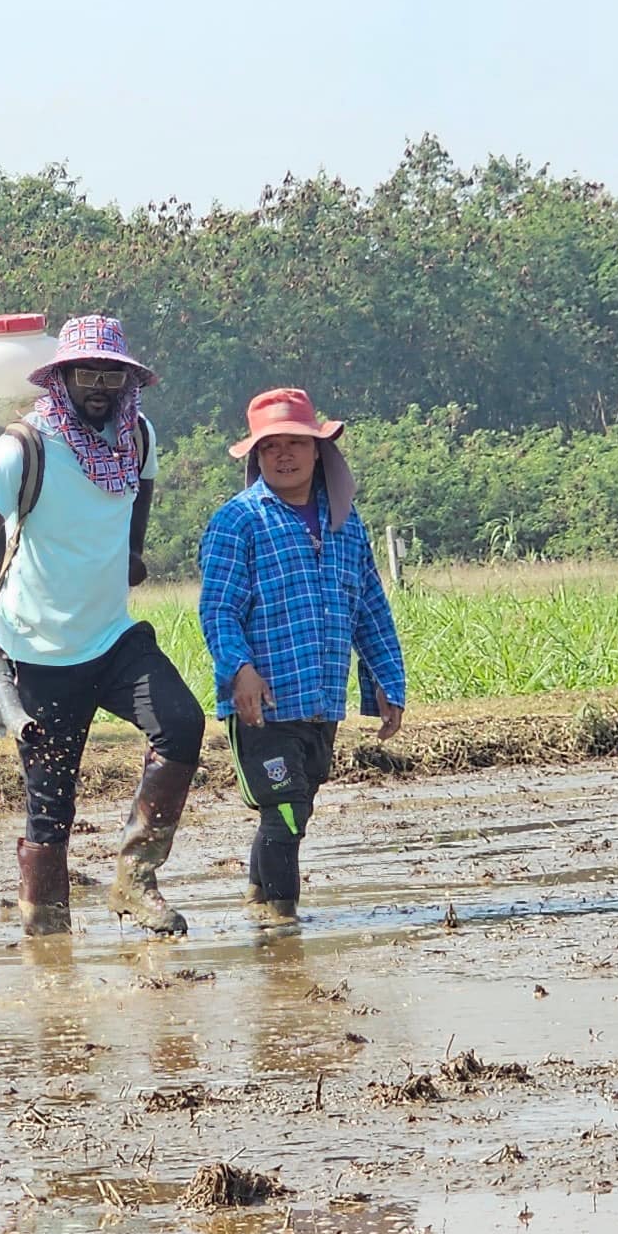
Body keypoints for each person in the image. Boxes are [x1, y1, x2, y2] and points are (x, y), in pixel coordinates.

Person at [0, 315, 205, 938]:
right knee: (51, 804)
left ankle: (135, 878)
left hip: (111, 638)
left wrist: (132, 556)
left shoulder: (138, 436)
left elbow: (138, 497)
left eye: (112, 373)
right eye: (87, 371)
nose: (100, 384)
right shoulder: (26, 447)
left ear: (128, 382)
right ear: (61, 377)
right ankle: (46, 929)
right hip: (38, 650)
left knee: (181, 723)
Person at [198, 387, 405, 928]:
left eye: (295, 444)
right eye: (271, 448)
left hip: (319, 696)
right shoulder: (238, 522)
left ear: (320, 452)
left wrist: (386, 681)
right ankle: (283, 923)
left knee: (295, 807)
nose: (284, 456)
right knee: (284, 806)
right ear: (258, 458)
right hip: (262, 701)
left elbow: (370, 610)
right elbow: (219, 609)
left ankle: (257, 898)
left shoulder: (345, 524)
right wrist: (238, 670)